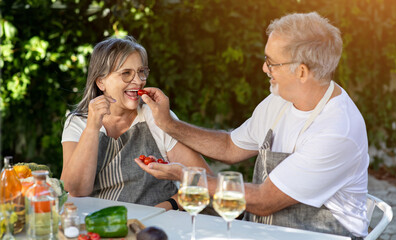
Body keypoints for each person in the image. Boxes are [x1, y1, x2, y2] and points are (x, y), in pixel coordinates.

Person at [135, 12, 369, 239]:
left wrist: (188, 177)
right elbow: (229, 147)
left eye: (272, 62)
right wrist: (168, 124)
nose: (264, 68)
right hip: (265, 231)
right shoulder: (281, 99)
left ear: (301, 71)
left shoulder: (336, 131)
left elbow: (264, 201)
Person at [61, 36, 211, 210]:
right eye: (126, 73)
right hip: (100, 225)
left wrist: (167, 206)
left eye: (141, 72)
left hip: (158, 225)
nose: (139, 81)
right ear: (101, 82)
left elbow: (203, 180)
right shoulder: (78, 122)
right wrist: (93, 127)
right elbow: (75, 189)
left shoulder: (157, 117)